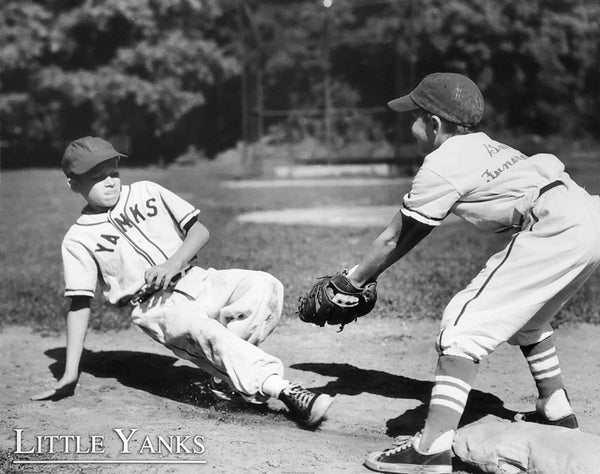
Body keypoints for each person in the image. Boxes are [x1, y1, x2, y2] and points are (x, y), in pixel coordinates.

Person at [339, 73, 600, 473]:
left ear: (435, 124)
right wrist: (362, 276)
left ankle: (430, 450)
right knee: (528, 316)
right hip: (588, 217)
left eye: (415, 114)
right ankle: (556, 408)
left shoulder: (441, 164)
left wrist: (353, 280)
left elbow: (394, 239)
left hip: (556, 225)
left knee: (462, 326)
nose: (410, 123)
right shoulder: (488, 147)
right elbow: (410, 234)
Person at [31, 136, 333, 428]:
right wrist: (71, 372)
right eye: (97, 177)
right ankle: (284, 390)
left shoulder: (147, 191)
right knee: (207, 331)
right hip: (156, 306)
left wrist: (172, 263)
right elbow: (79, 303)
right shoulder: (78, 239)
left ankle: (223, 380)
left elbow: (199, 231)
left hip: (197, 278)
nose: (110, 181)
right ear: (73, 184)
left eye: (113, 172)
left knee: (264, 286)